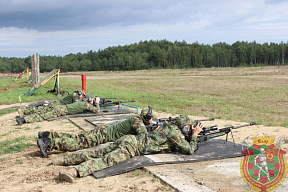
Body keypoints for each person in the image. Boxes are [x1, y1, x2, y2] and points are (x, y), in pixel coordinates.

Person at [53, 115, 203, 183]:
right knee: (106, 160)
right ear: (184, 127)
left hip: (129, 140)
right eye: (190, 127)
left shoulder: (169, 126)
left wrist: (190, 133)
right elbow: (189, 150)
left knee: (98, 152)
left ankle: (62, 160)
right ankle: (74, 171)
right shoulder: (175, 134)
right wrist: (195, 136)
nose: (190, 130)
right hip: (132, 147)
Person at [36, 106, 157, 158]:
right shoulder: (138, 122)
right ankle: (48, 143)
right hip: (103, 135)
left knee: (78, 138)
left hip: (103, 130)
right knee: (78, 144)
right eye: (151, 118)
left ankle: (48, 134)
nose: (152, 119)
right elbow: (143, 137)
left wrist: (149, 127)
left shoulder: (136, 118)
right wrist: (152, 129)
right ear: (146, 117)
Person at [16, 96, 101, 126]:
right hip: (62, 110)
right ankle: (24, 119)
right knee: (44, 116)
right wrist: (97, 103)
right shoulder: (86, 105)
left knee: (44, 113)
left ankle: (25, 116)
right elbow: (97, 111)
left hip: (61, 107)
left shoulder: (83, 102)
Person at [20, 90, 86, 116]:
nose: (82, 97)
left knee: (44, 109)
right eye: (82, 96)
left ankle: (25, 111)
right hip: (58, 105)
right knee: (44, 110)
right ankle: (24, 111)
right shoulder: (75, 96)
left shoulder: (74, 94)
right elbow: (75, 104)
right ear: (80, 94)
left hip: (58, 104)